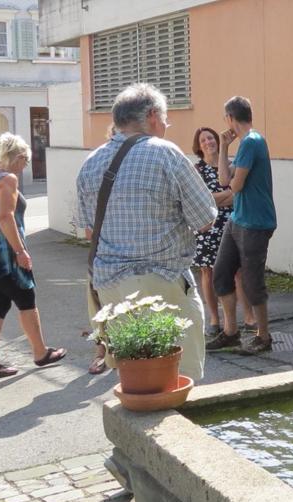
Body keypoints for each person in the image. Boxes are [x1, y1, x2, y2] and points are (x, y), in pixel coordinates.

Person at [75, 83, 216, 382]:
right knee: (178, 377)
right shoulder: (165, 153)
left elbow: (90, 231)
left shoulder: (90, 162)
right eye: (165, 118)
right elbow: (205, 218)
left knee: (137, 378)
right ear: (152, 115)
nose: (166, 125)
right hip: (161, 282)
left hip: (110, 288)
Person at [0, 132, 66, 380]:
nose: (25, 167)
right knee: (26, 298)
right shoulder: (8, 180)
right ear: (18, 158)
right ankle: (40, 353)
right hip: (2, 255)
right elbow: (4, 217)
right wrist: (20, 252)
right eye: (25, 162)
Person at [205, 96, 276, 354]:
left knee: (252, 282)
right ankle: (231, 332)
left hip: (256, 222)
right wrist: (223, 146)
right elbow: (224, 178)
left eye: (226, 119)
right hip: (238, 220)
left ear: (230, 118)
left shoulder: (252, 142)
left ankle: (263, 337)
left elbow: (235, 185)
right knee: (221, 274)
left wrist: (220, 192)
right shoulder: (245, 143)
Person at [191, 126, 256, 337]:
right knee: (207, 273)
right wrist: (227, 194)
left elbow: (240, 194)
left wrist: (217, 197)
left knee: (238, 271)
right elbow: (201, 199)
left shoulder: (231, 164)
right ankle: (214, 318)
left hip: (233, 223)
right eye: (203, 141)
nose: (208, 142)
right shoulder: (196, 170)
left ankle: (248, 316)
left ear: (217, 142)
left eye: (210, 138)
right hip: (208, 227)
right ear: (198, 147)